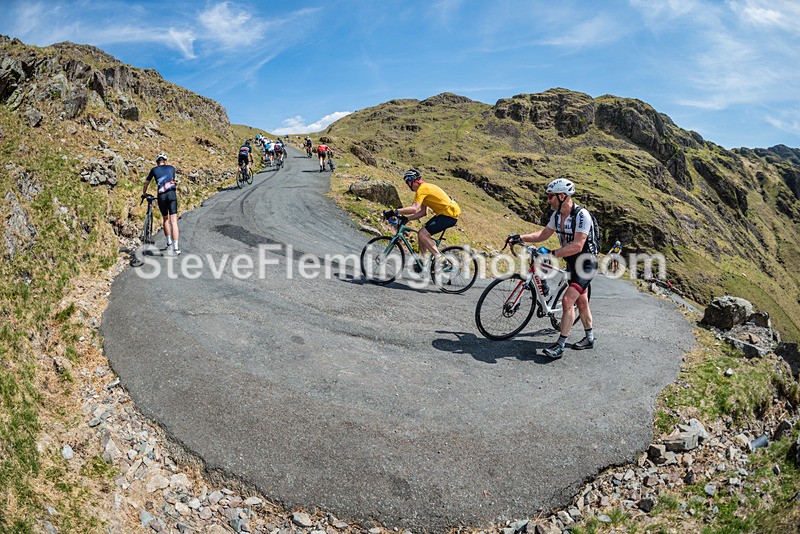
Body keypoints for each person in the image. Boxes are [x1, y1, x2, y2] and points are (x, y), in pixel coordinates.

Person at [506, 178, 598, 359]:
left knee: (567, 301)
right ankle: (590, 338)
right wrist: (520, 237)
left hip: (586, 263)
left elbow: (578, 245)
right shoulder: (557, 216)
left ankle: (560, 345)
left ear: (562, 196)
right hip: (571, 262)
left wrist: (551, 253)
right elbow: (543, 234)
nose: (548, 200)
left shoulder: (581, 216)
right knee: (582, 302)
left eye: (550, 197)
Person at [383, 169, 461, 271]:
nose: (408, 185)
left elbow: (414, 209)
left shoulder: (422, 190)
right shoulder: (425, 188)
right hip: (447, 213)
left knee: (423, 234)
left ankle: (441, 260)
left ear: (412, 181)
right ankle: (423, 262)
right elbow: (423, 212)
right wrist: (407, 218)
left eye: (408, 183)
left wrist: (394, 212)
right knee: (421, 234)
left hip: (449, 215)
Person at [142, 153, 180, 255]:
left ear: (157, 162)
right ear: (165, 161)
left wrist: (144, 193)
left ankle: (168, 242)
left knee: (165, 219)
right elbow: (173, 180)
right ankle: (176, 248)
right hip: (172, 195)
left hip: (161, 196)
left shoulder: (154, 170)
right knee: (174, 221)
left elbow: (146, 183)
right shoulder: (172, 168)